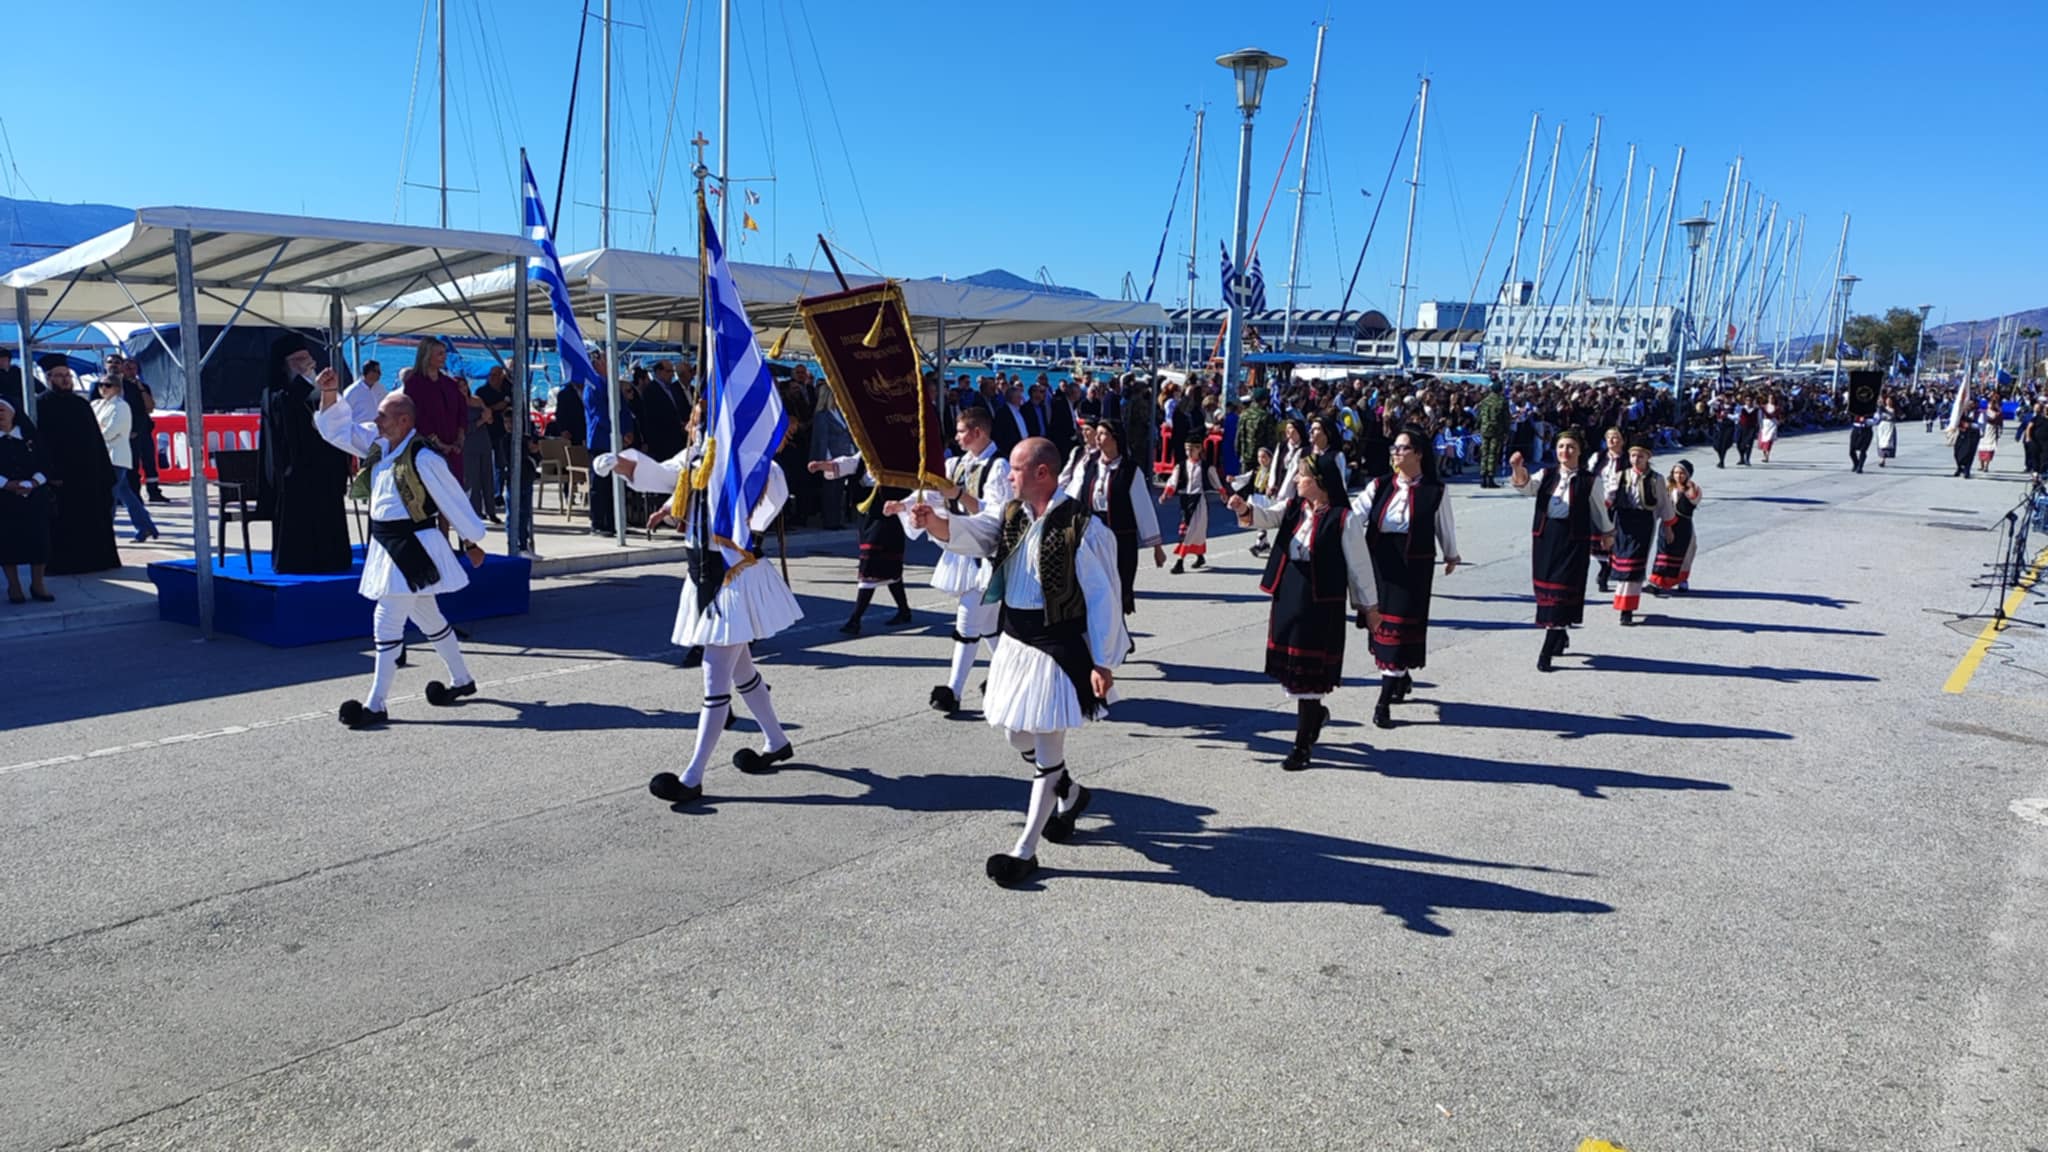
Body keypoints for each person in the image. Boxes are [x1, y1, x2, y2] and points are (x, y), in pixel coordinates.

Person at [912, 437, 1125, 886]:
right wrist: (935, 523)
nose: (1008, 476)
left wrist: (1103, 661)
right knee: (1015, 734)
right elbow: (976, 533)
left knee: (1047, 747)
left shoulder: (1083, 526)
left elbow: (1104, 597)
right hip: (1015, 641)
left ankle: (1025, 849)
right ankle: (1070, 793)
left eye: (1015, 469)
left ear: (1042, 474)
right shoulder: (1010, 513)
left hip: (1057, 646)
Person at [607, 436, 802, 805]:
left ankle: (692, 776)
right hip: (702, 574)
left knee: (715, 674)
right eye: (695, 419)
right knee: (741, 670)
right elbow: (667, 474)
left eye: (703, 417)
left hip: (734, 577)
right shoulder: (697, 455)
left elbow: (766, 501)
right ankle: (777, 741)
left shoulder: (753, 464)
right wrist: (621, 464)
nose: (694, 426)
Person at [313, 382, 489, 728]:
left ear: (404, 420)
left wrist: (471, 540)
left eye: (382, 415)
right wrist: (329, 394)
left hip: (412, 546)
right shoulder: (380, 446)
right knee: (429, 617)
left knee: (386, 619)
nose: (376, 420)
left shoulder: (423, 457)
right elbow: (339, 432)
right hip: (387, 545)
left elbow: (450, 497)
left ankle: (376, 703)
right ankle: (462, 680)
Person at [1228, 452, 1375, 771]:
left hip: (1321, 601)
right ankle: (1315, 717)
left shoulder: (1342, 519)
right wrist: (1244, 509)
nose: (1296, 480)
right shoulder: (1294, 508)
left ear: (1319, 482)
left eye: (1302, 475)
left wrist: (1369, 607)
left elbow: (1360, 568)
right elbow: (1267, 516)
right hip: (1290, 593)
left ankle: (1301, 745)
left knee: (1309, 676)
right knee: (1296, 672)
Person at [887, 407, 1013, 714]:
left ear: (978, 432)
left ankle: (953, 690)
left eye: (960, 431)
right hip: (960, 549)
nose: (956, 437)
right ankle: (1009, 675)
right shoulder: (954, 464)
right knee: (986, 625)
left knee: (969, 619)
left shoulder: (998, 467)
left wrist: (957, 494)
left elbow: (995, 514)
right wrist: (904, 506)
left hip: (986, 553)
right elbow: (931, 495)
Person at [1351, 426, 1460, 729]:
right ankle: (1401, 675)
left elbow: (1444, 526)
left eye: (1403, 448)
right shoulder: (1379, 485)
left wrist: (1451, 554)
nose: (1396, 453)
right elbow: (1353, 515)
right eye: (1394, 449)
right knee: (1379, 631)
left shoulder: (1434, 492)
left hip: (1412, 569)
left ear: (1419, 454)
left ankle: (1383, 702)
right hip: (1379, 566)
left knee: (1395, 635)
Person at [1510, 430, 1614, 672]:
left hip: (1573, 541)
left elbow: (1600, 511)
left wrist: (1608, 535)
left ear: (1579, 451)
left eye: (1570, 447)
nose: (1564, 452)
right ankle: (1560, 630)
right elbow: (1526, 487)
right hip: (1546, 539)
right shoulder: (1546, 474)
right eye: (1560, 447)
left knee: (1561, 592)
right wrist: (1517, 468)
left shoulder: (1590, 480)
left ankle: (1546, 650)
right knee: (1547, 593)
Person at [259, 335, 353, 573]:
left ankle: (333, 560)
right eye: (298, 360)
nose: (306, 363)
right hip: (294, 468)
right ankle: (295, 563)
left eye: (308, 358)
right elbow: (287, 408)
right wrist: (306, 381)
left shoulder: (318, 389)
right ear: (284, 364)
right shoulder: (274, 393)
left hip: (324, 465)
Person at [1069, 419, 1164, 623]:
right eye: (1098, 433)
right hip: (1091, 537)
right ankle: (1095, 640)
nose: (1098, 437)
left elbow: (1144, 509)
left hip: (1120, 540)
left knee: (1117, 590)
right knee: (1091, 588)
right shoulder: (1088, 466)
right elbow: (1073, 496)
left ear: (1115, 438)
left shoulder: (1130, 471)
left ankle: (1116, 639)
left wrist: (1156, 546)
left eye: (1103, 433)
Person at [809, 450, 914, 634]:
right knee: (888, 565)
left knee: (870, 563)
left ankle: (855, 619)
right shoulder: (866, 451)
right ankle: (904, 611)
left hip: (890, 516)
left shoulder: (899, 455)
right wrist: (821, 465)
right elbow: (847, 464)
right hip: (869, 515)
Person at [34, 356, 120, 575]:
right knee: (65, 523)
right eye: (60, 376)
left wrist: (104, 472)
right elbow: (41, 442)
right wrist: (49, 472)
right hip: (62, 475)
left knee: (93, 520)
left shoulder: (81, 403)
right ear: (49, 377)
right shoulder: (41, 405)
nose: (65, 380)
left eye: (67, 376)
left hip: (89, 473)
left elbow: (96, 440)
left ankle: (98, 561)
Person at [1605, 438, 1672, 627]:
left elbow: (1664, 504)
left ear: (1648, 457)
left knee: (1634, 565)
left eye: (1640, 456)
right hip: (1623, 522)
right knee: (1621, 562)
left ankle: (1627, 609)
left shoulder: (1656, 479)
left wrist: (1668, 526)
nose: (1636, 459)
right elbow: (1608, 498)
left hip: (1643, 523)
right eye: (1633, 455)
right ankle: (1622, 602)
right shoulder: (1620, 475)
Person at [93, 373, 160, 543]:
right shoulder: (97, 405)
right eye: (100, 385)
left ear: (116, 388)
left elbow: (112, 431)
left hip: (116, 456)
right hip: (104, 455)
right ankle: (145, 526)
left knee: (110, 495)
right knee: (126, 494)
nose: (103, 388)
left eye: (107, 385)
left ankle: (105, 532)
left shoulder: (121, 406)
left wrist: (97, 433)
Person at [0, 397, 53, 603]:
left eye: (3, 409)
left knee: (39, 541)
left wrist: (33, 483)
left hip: (33, 496)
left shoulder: (30, 437)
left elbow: (45, 463)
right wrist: (6, 484)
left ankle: (38, 584)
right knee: (7, 542)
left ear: (14, 412)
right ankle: (14, 586)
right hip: (4, 498)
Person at [401, 338, 469, 480]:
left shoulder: (450, 384)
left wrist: (460, 437)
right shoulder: (414, 384)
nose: (444, 357)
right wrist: (438, 443)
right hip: (427, 450)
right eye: (439, 354)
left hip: (454, 450)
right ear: (427, 355)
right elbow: (417, 416)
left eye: (444, 353)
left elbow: (462, 410)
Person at [1160, 431, 1224, 574]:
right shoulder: (1181, 466)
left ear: (1199, 449)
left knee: (1189, 532)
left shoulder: (1206, 467)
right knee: (1187, 530)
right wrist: (1166, 493)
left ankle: (1180, 562)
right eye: (1187, 449)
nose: (1188, 452)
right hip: (1185, 500)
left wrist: (1222, 493)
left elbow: (1216, 481)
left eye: (1192, 449)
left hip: (1198, 501)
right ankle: (1200, 556)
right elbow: (1173, 481)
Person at [1648, 460, 1702, 596]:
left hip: (1683, 527)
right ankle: (1657, 582)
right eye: (1676, 472)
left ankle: (1682, 580)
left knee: (1683, 554)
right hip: (1667, 524)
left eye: (1682, 473)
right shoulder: (1667, 488)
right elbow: (1659, 505)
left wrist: (1688, 489)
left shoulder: (1693, 488)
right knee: (1663, 552)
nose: (1679, 476)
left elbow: (1694, 500)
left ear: (1688, 474)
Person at [1587, 427, 1627, 594]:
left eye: (1616, 437)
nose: (1612, 440)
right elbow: (1588, 476)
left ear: (1622, 440)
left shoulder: (1627, 459)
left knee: (1615, 541)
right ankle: (1605, 569)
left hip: (1618, 505)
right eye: (1609, 437)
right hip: (1598, 503)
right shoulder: (1598, 457)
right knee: (1598, 543)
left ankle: (1606, 573)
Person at [1476, 382, 1508, 487]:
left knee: (1484, 453)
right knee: (1493, 454)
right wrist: (1506, 432)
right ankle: (1490, 477)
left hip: (1485, 429)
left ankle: (1483, 478)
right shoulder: (1502, 401)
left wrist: (1477, 426)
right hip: (1496, 430)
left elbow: (1480, 415)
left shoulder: (1484, 401)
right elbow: (1505, 418)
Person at [342, 360, 388, 426]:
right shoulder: (352, 391)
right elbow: (343, 413)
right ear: (369, 372)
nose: (380, 374)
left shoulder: (380, 388)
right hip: (360, 432)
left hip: (377, 430)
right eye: (377, 371)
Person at [1952, 413, 1982, 478]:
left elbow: (1980, 425)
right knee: (1957, 452)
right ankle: (1960, 467)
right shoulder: (1961, 411)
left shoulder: (1979, 413)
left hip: (1973, 435)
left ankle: (1967, 470)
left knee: (1969, 454)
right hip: (1962, 434)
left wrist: (1970, 425)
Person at [1874, 402, 1898, 469]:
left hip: (1889, 426)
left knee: (1887, 443)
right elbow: (1877, 417)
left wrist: (1884, 410)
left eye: (1890, 401)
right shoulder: (1880, 409)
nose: (1888, 402)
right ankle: (1882, 459)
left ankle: (1883, 459)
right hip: (1882, 426)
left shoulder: (1892, 409)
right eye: (1887, 400)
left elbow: (1892, 416)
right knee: (1881, 443)